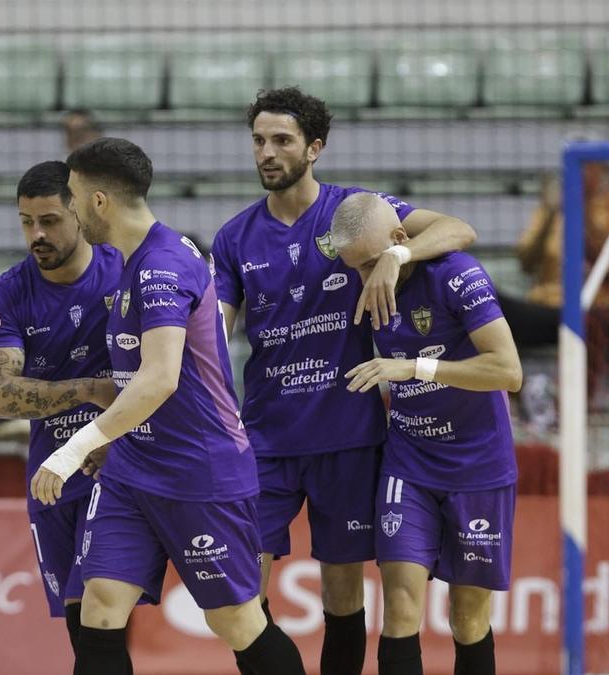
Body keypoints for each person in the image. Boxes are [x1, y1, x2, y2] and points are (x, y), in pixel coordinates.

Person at [209, 86, 477, 675]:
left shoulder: (356, 212)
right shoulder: (234, 237)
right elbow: (213, 338)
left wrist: (396, 257)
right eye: (258, 140)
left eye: (282, 140)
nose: (267, 152)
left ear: (315, 148)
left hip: (349, 437)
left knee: (342, 596)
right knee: (240, 597)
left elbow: (458, 229)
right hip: (266, 439)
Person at [31, 137, 306, 675]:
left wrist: (74, 448)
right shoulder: (131, 262)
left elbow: (158, 379)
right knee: (100, 608)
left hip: (199, 470)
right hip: (134, 469)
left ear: (100, 201)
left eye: (73, 196)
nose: (69, 208)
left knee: (236, 622)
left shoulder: (164, 264)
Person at [331, 192, 523, 675]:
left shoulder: (456, 275)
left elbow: (508, 371)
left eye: (372, 264)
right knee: (398, 606)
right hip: (409, 461)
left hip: (478, 462)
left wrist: (415, 367)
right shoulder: (362, 278)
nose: (364, 279)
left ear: (399, 241)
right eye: (355, 268)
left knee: (468, 617)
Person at [0, 161, 121, 657]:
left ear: (80, 212)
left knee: (100, 610)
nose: (36, 234)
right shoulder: (10, 290)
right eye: (26, 222)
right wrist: (87, 389)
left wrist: (114, 428)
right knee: (82, 630)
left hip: (115, 467)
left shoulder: (124, 270)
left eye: (50, 220)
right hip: (51, 474)